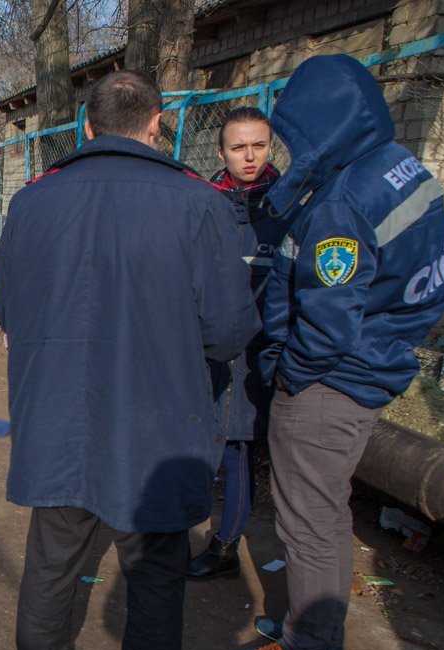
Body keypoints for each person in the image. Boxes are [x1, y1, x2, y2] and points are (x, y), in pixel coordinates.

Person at [0, 70, 259, 650]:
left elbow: (9, 304)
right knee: (156, 570)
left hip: (59, 415)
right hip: (158, 422)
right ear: (155, 125)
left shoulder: (34, 201)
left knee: (53, 556)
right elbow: (229, 331)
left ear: (85, 127)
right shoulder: (199, 204)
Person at [225, 55, 444, 650]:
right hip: (376, 360)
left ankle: (304, 649)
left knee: (310, 518)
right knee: (323, 509)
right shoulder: (398, 166)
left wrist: (292, 376)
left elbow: (326, 322)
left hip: (329, 383)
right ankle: (313, 622)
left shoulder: (340, 206)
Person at [186, 107, 290, 580]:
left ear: (271, 147)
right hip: (203, 345)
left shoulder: (289, 207)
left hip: (258, 352)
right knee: (195, 440)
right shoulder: (203, 205)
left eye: (259, 145)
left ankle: (225, 545)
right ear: (221, 151)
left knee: (239, 449)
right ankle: (177, 529)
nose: (249, 157)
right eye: (238, 147)